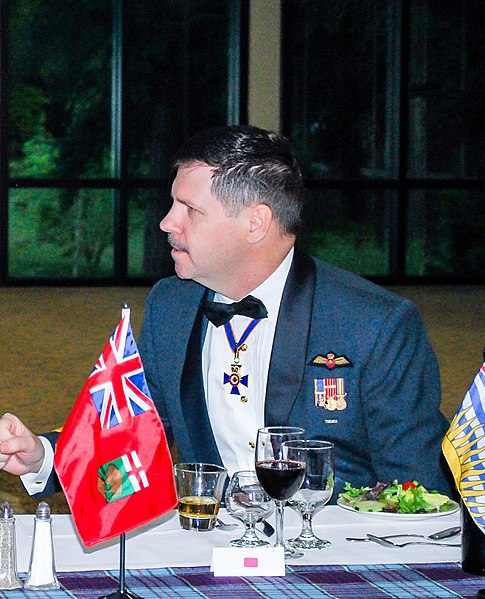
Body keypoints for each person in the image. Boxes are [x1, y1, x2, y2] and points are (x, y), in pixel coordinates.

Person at [0, 125, 453, 500]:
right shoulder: (170, 305)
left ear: (255, 223)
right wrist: (43, 457)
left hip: (330, 555)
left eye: (190, 210)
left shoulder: (376, 325)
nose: (166, 223)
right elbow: (133, 440)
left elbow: (417, 491)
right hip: (209, 543)